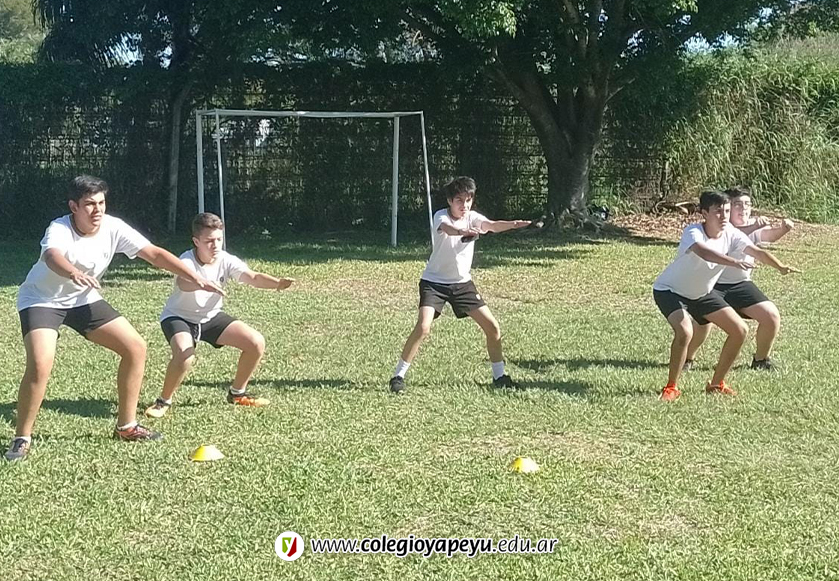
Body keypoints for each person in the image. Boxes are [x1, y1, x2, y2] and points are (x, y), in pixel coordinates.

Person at [5, 175, 225, 462]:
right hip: (42, 300)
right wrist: (73, 272)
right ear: (73, 206)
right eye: (89, 204)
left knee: (135, 347)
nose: (97, 210)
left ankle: (126, 426)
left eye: (101, 203)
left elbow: (154, 254)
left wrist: (195, 276)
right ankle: (22, 438)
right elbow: (52, 257)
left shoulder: (112, 227)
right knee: (40, 364)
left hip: (84, 300)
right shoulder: (59, 228)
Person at [652, 190, 799, 402]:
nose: (724, 216)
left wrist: (780, 266)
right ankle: (671, 387)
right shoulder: (693, 232)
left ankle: (716, 384)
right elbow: (704, 252)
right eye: (718, 212)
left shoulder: (731, 233)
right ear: (704, 213)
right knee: (685, 332)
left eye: (727, 211)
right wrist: (733, 261)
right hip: (670, 291)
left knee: (740, 330)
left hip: (701, 294)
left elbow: (757, 252)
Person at [388, 176, 531, 394]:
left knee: (492, 327)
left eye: (468, 200)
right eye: (459, 200)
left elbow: (491, 226)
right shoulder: (440, 216)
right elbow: (447, 229)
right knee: (424, 327)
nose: (464, 205)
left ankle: (499, 377)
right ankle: (398, 376)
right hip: (434, 283)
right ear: (449, 201)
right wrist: (462, 231)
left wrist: (513, 224)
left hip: (462, 285)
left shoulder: (473, 218)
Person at [144, 212, 294, 418]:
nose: (215, 245)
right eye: (209, 241)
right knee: (185, 354)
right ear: (196, 241)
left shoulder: (225, 259)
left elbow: (253, 277)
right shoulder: (186, 260)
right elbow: (183, 283)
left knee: (255, 342)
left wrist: (277, 283)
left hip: (211, 317)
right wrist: (202, 284)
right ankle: (163, 402)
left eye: (219, 239)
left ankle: (237, 394)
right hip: (179, 317)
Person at [684, 186, 795, 371]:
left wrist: (783, 230)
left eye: (748, 205)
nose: (744, 209)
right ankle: (686, 359)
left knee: (771, 316)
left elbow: (768, 238)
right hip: (712, 285)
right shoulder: (718, 227)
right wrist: (754, 226)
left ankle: (761, 360)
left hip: (740, 285)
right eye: (738, 205)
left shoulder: (752, 226)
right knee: (703, 323)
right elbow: (735, 231)